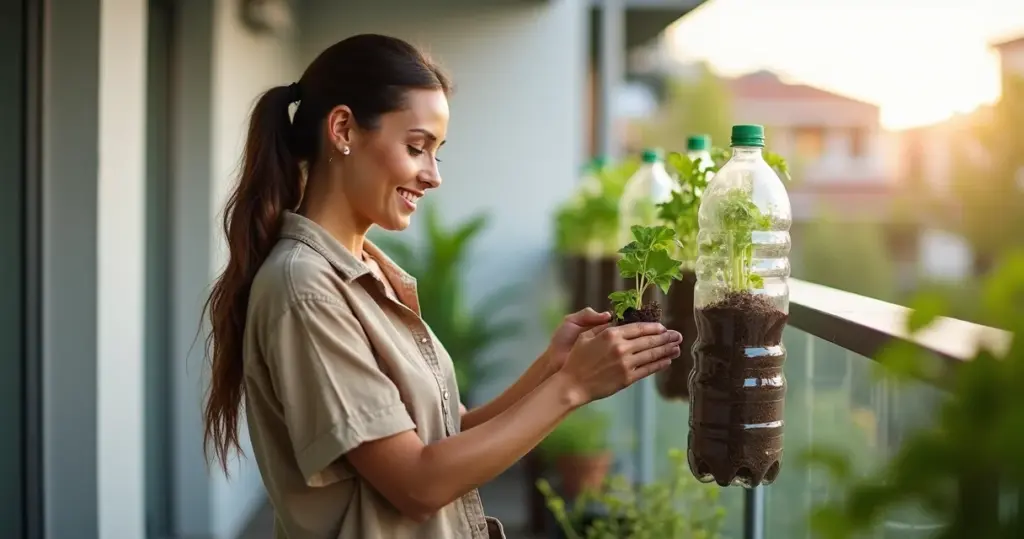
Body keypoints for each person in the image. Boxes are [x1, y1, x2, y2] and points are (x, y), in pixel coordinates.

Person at [201, 34, 682, 539]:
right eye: (416, 147)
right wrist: (572, 386)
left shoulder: (364, 271)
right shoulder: (306, 289)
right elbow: (417, 482)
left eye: (437, 153)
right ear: (343, 129)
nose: (432, 176)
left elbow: (448, 435)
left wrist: (551, 368)